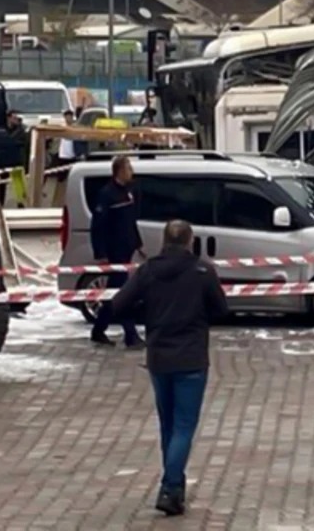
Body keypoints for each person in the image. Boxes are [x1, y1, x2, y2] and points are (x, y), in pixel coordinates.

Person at [113, 220, 229, 515]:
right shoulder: (202, 271)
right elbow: (221, 309)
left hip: (159, 359)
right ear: (190, 241)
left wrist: (147, 314)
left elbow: (118, 305)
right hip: (191, 358)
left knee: (168, 424)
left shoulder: (148, 271)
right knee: (184, 426)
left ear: (164, 240)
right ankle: (170, 485)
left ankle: (174, 489)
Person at [89, 155, 145, 348]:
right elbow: (98, 227)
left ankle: (99, 330)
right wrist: (101, 254)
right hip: (114, 253)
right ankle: (130, 334)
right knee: (122, 294)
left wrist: (138, 243)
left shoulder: (128, 192)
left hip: (126, 250)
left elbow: (130, 221)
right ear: (119, 171)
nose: (132, 172)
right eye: (129, 168)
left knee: (115, 292)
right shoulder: (107, 194)